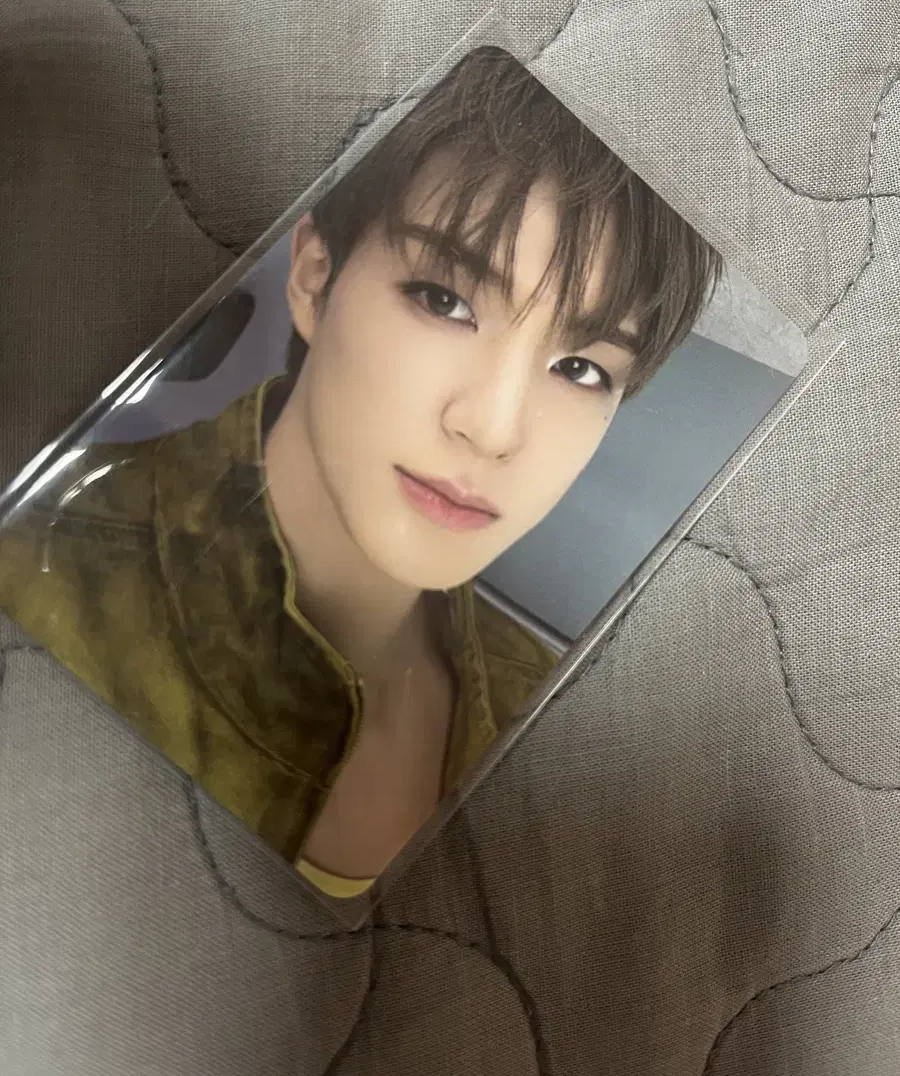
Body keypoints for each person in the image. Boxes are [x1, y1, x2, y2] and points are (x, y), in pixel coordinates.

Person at [0, 47, 721, 899]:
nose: (493, 429)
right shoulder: (39, 568)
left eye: (582, 370)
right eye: (444, 299)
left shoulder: (549, 714)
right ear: (315, 278)